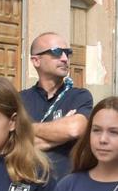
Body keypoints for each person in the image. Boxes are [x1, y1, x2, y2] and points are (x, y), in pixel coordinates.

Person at [22, 32, 94, 180]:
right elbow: (11, 145)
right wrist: (60, 132)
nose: (64, 58)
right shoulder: (19, 99)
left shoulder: (79, 96)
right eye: (56, 52)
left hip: (67, 189)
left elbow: (74, 129)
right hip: (27, 187)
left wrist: (25, 128)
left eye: (68, 53)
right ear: (36, 61)